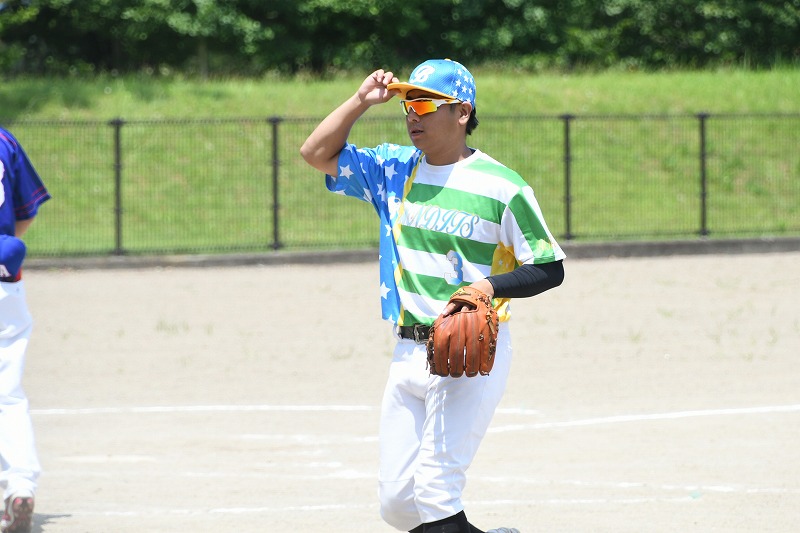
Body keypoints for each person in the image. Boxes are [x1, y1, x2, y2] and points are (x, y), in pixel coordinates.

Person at [300, 58, 565, 533]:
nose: (412, 114)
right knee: (398, 504)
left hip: (468, 350)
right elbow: (316, 153)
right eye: (407, 103)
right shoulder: (394, 170)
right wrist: (360, 101)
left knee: (436, 489)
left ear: (462, 112)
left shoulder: (502, 186)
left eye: (424, 103)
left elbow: (549, 267)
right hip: (407, 351)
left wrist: (487, 286)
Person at [0, 126, 50, 533]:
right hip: (3, 281)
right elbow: (26, 211)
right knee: (8, 394)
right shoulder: (5, 141)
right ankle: (19, 486)